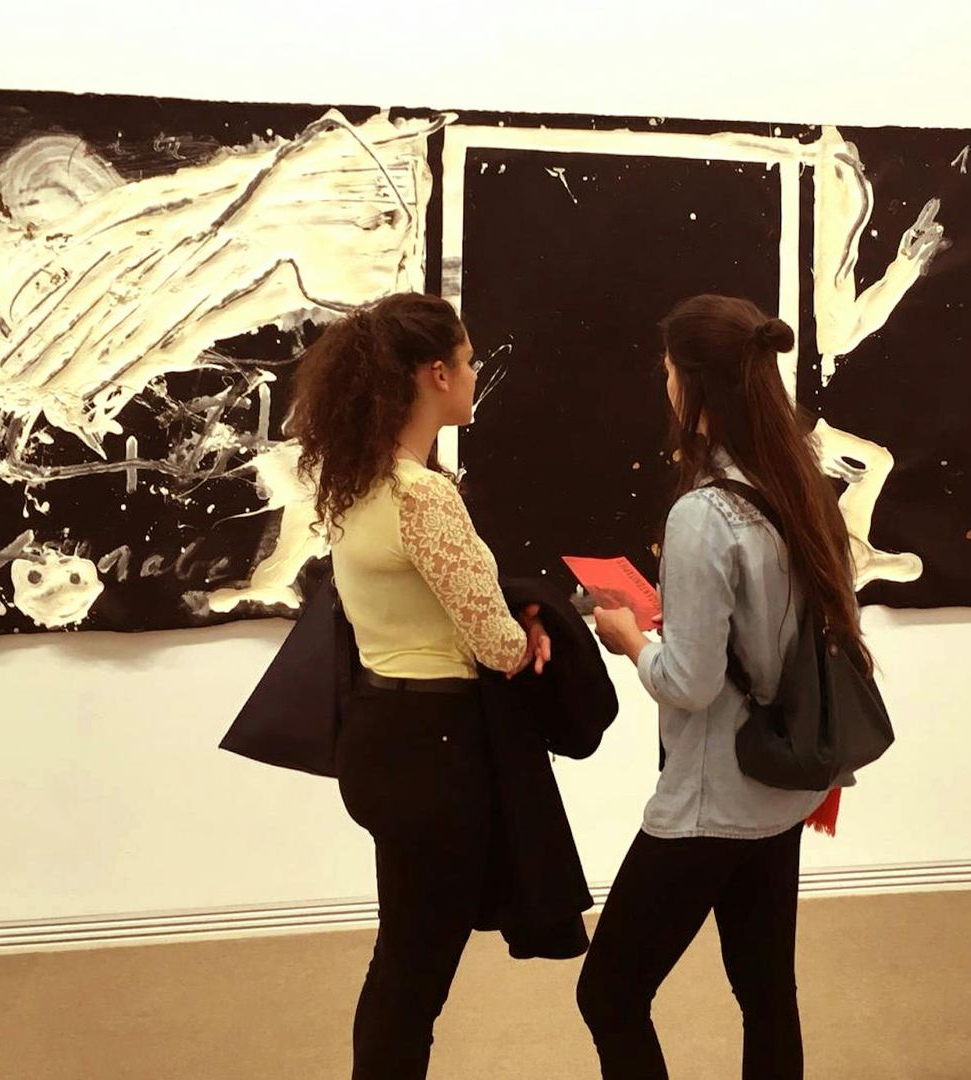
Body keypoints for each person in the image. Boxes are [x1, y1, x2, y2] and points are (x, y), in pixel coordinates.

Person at [578, 294, 870, 1079]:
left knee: (608, 995)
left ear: (691, 382)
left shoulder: (703, 515)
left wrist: (630, 641)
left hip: (713, 797)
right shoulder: (799, 488)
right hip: (784, 785)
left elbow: (690, 682)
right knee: (766, 993)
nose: (664, 385)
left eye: (667, 372)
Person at [283, 291, 551, 1080]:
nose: (472, 373)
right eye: (466, 361)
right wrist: (534, 635)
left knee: (401, 958)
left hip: (378, 735)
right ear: (435, 374)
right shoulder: (422, 495)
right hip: (433, 751)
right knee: (414, 973)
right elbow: (497, 645)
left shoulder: (357, 481)